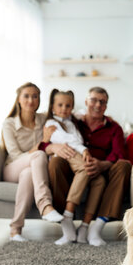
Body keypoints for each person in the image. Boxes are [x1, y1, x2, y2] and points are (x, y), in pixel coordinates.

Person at [47, 87, 131, 246]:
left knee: (123, 166)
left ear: (106, 106)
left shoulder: (114, 127)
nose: (97, 105)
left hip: (102, 170)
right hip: (75, 168)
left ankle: (95, 227)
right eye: (93, 100)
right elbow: (47, 139)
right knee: (55, 163)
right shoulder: (72, 122)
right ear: (86, 102)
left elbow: (119, 154)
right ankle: (66, 222)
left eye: (102, 102)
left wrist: (102, 165)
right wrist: (51, 147)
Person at [1, 82, 64, 242]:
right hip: (12, 168)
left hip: (30, 169)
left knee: (29, 173)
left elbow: (65, 115)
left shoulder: (43, 119)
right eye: (26, 96)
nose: (31, 100)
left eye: (35, 96)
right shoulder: (9, 124)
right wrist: (42, 143)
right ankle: (45, 206)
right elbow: (15, 155)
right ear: (19, 100)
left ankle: (15, 230)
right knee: (39, 155)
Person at [43, 89, 106, 245]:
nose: (64, 108)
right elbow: (67, 139)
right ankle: (68, 215)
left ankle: (85, 227)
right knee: (85, 168)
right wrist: (84, 150)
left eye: (68, 105)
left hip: (75, 153)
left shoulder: (72, 121)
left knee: (99, 181)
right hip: (67, 154)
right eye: (60, 105)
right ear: (52, 107)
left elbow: (82, 114)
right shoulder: (51, 124)